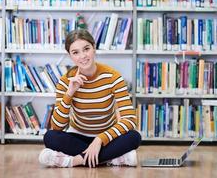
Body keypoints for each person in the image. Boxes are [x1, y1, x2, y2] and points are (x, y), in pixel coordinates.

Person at [38, 29, 141, 168]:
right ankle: (112, 159)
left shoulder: (113, 77)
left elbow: (130, 120)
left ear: (94, 48)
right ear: (70, 56)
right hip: (78, 137)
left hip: (107, 138)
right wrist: (69, 93)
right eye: (75, 52)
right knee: (50, 137)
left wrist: (99, 140)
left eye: (86, 49)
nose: (83, 56)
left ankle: (72, 161)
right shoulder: (65, 81)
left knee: (134, 137)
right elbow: (57, 126)